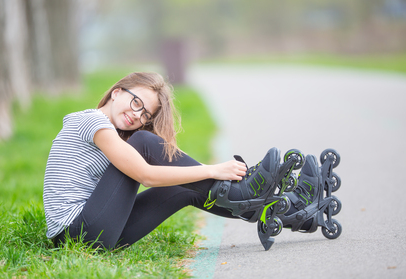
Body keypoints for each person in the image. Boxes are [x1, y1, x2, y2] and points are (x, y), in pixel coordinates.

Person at [43, 72, 318, 250]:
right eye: (137, 103)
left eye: (145, 116)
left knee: (184, 188)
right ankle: (244, 190)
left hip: (92, 235)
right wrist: (212, 170)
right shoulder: (90, 120)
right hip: (76, 233)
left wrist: (200, 174)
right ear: (117, 92)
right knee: (142, 142)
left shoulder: (112, 135)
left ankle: (291, 211)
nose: (138, 116)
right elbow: (146, 176)